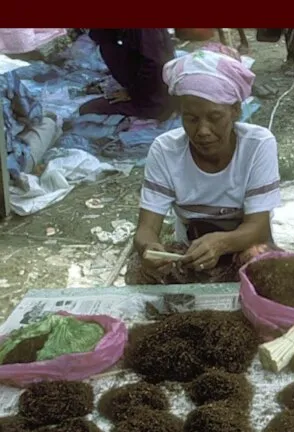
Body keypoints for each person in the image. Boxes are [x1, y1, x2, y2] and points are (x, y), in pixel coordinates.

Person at [127, 46, 281, 285]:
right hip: (190, 253)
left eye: (215, 117)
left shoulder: (258, 145)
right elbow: (146, 228)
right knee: (141, 269)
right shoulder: (165, 149)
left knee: (261, 264)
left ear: (235, 111)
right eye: (191, 118)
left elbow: (258, 228)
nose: (203, 131)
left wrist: (220, 243)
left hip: (243, 248)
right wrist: (149, 248)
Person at [79, 29, 175, 121]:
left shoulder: (144, 31)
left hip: (154, 100)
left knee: (87, 110)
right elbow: (99, 36)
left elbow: (155, 64)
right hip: (140, 88)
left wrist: (132, 93)